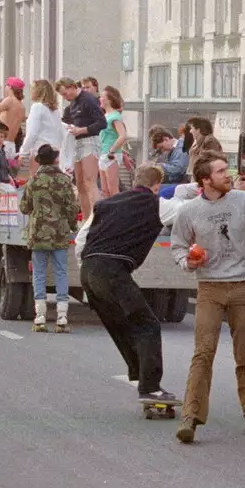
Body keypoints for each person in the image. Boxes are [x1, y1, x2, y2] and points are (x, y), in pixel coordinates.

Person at [171, 152, 245, 443]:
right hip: (210, 288)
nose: (228, 174)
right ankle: (190, 416)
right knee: (203, 352)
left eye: (227, 169)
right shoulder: (188, 211)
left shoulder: (244, 201)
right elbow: (177, 247)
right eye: (221, 171)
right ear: (205, 179)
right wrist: (188, 261)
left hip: (243, 287)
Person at [78, 163, 180, 406]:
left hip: (89, 270)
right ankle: (150, 387)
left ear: (135, 181)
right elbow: (185, 212)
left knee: (121, 324)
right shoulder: (156, 204)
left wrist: (87, 273)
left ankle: (138, 373)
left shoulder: (104, 204)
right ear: (156, 187)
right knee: (147, 325)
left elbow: (82, 238)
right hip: (113, 271)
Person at [19, 144, 80, 332]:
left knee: (39, 273)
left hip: (38, 234)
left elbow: (24, 207)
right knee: (61, 272)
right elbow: (72, 208)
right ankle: (62, 317)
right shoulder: (64, 180)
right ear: (55, 159)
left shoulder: (34, 180)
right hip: (60, 233)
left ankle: (40, 316)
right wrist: (71, 225)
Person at [58, 77, 108, 219]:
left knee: (89, 180)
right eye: (62, 95)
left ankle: (99, 218)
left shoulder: (88, 99)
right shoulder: (72, 104)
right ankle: (86, 219)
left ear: (72, 87)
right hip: (76, 143)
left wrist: (82, 130)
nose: (65, 97)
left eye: (65, 93)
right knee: (80, 183)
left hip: (90, 141)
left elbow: (102, 123)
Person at [20, 80, 68, 174]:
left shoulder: (37, 107)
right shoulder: (55, 111)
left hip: (40, 151)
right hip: (55, 152)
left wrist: (23, 152)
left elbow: (32, 133)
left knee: (37, 183)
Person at [98, 87, 130, 199]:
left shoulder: (115, 117)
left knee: (113, 190)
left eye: (102, 97)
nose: (100, 99)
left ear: (109, 100)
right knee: (105, 191)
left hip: (111, 155)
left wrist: (112, 151)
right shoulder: (105, 116)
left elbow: (123, 136)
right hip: (102, 154)